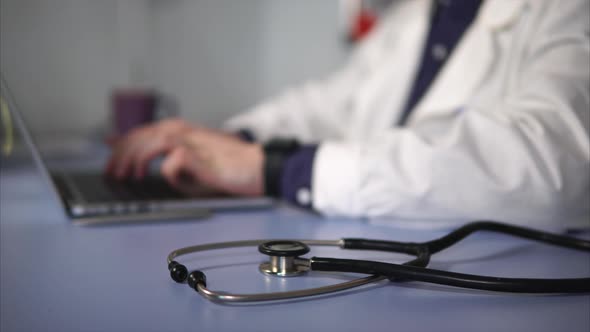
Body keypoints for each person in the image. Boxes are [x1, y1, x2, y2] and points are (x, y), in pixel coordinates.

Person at [106, 0, 590, 228]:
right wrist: (216, 143)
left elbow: (551, 165)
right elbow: (328, 104)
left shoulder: (565, 11)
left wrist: (274, 169)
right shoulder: (416, 16)